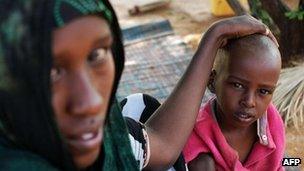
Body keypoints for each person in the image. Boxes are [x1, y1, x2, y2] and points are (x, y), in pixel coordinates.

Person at [0, 0, 277, 170]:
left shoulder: (112, 140)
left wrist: (214, 35)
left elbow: (162, 147)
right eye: (52, 71)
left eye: (96, 55)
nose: (92, 103)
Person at [183, 34, 284, 170]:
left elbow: (278, 161)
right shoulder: (198, 133)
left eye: (264, 91)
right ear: (212, 82)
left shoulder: (271, 119)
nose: (249, 102)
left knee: (290, 162)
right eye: (237, 85)